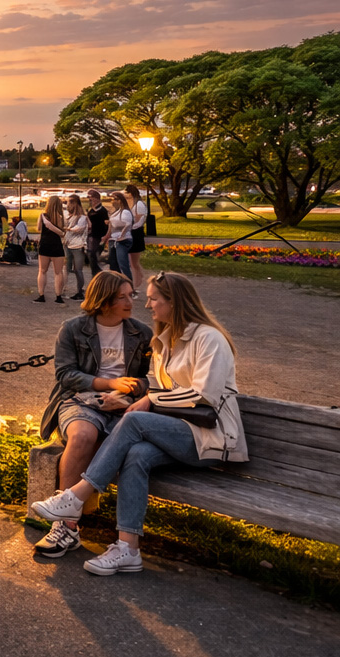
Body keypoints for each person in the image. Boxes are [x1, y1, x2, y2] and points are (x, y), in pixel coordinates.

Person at [32, 272, 246, 575]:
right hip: (176, 430)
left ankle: (76, 496)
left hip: (211, 437)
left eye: (153, 299)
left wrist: (148, 400)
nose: (145, 305)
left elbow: (204, 395)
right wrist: (130, 396)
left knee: (133, 422)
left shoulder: (209, 339)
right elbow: (158, 386)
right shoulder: (166, 340)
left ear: (174, 302)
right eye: (137, 297)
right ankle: (128, 549)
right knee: (136, 454)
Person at [31, 271, 152, 558]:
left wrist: (131, 390)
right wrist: (110, 384)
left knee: (118, 444)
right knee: (84, 435)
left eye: (131, 295)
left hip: (123, 404)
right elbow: (65, 374)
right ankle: (65, 527)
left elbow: (154, 379)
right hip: (80, 399)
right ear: (103, 301)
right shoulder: (73, 329)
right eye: (122, 297)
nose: (130, 302)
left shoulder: (142, 333)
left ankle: (117, 537)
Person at [35, 195, 68, 303]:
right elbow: (63, 231)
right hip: (56, 245)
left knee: (42, 271)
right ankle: (58, 296)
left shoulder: (43, 216)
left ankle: (41, 295)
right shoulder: (60, 217)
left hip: (45, 244)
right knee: (58, 272)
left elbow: (39, 228)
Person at [63, 194, 90, 300]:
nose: (67, 205)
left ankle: (80, 291)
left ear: (74, 203)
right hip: (68, 245)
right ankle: (62, 289)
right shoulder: (68, 216)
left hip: (78, 246)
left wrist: (67, 229)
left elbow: (79, 228)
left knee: (78, 269)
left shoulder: (82, 217)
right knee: (66, 268)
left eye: (69, 202)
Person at [126, 183, 149, 293]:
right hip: (133, 232)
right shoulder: (136, 204)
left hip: (136, 233)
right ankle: (139, 279)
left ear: (130, 194)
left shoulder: (139, 204)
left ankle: (135, 285)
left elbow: (138, 220)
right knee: (133, 262)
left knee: (134, 263)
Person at [106, 191, 133, 276]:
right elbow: (112, 225)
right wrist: (107, 236)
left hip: (122, 240)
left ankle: (128, 282)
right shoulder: (116, 212)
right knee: (113, 265)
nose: (112, 202)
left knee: (122, 265)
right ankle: (117, 282)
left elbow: (128, 224)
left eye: (114, 199)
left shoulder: (125, 212)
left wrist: (122, 235)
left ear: (120, 200)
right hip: (113, 239)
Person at [85, 189, 109, 276]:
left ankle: (97, 271)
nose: (90, 200)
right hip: (91, 234)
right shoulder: (91, 210)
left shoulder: (102, 211)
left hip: (99, 235)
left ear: (96, 198)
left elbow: (106, 224)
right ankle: (95, 271)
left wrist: (105, 236)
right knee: (91, 253)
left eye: (91, 198)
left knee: (92, 253)